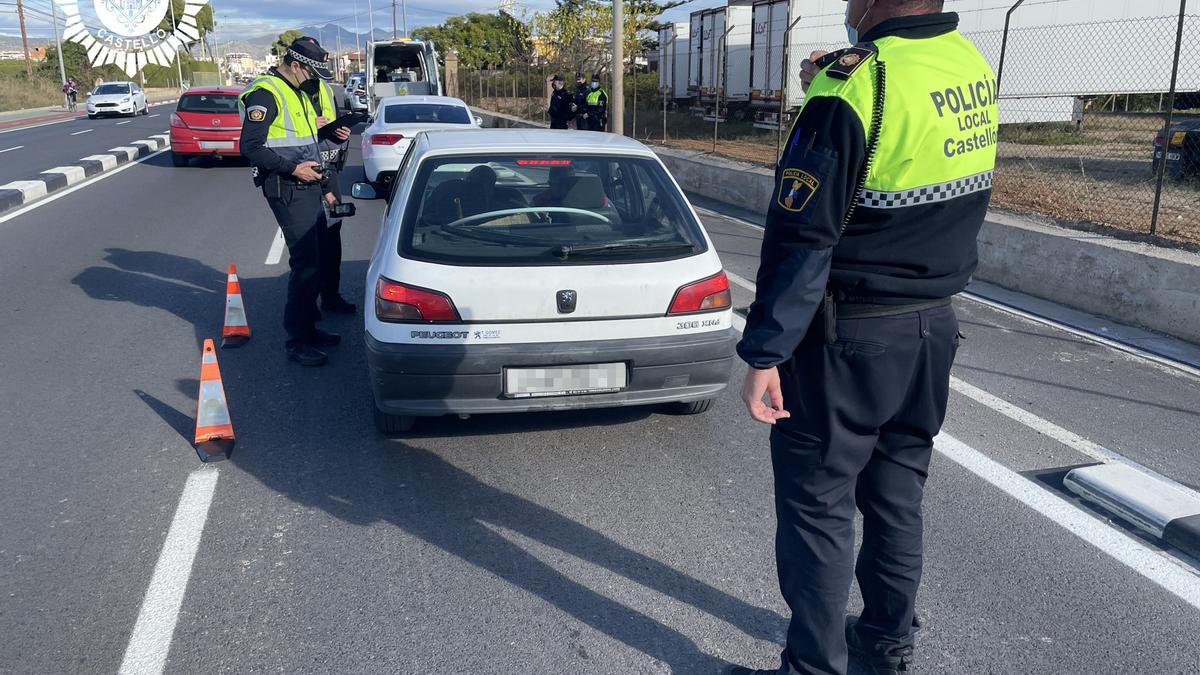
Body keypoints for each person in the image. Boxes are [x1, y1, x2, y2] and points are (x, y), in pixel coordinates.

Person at [729, 2, 998, 675]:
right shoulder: (966, 63)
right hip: (933, 326)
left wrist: (765, 351)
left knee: (819, 509)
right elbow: (902, 129)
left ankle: (813, 668)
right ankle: (885, 642)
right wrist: (836, 78)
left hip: (849, 336)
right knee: (897, 497)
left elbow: (802, 236)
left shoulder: (854, 84)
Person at [239, 36, 347, 367]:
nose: (315, 80)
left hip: (308, 183)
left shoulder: (297, 91)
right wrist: (293, 169)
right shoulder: (266, 94)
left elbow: (305, 145)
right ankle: (296, 340)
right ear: (296, 65)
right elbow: (250, 147)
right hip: (286, 186)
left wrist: (325, 182)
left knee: (318, 259)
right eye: (312, 73)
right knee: (306, 265)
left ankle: (309, 328)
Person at [300, 74, 357, 316]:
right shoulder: (286, 90)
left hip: (329, 168)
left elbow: (334, 123)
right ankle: (307, 305)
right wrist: (309, 126)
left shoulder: (324, 87)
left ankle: (331, 296)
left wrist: (340, 133)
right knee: (308, 241)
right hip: (301, 170)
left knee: (332, 236)